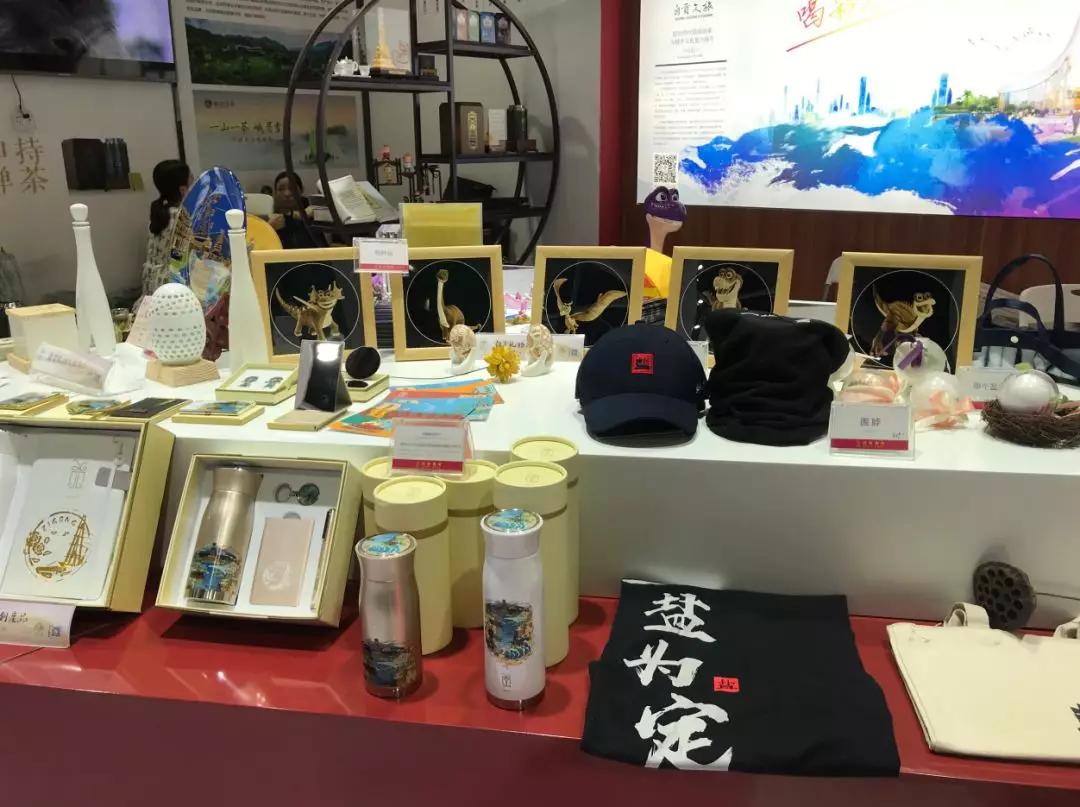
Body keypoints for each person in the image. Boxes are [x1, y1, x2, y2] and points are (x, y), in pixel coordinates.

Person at [140, 159, 191, 303]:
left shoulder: (159, 213)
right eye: (192, 181)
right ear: (183, 190)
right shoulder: (182, 218)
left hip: (151, 285)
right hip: (172, 290)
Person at [269, 171, 318, 249]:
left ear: (301, 190)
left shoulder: (311, 210)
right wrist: (269, 228)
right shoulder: (271, 216)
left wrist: (296, 215)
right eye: (281, 189)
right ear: (275, 193)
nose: (287, 194)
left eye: (292, 188)